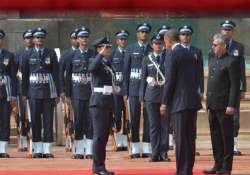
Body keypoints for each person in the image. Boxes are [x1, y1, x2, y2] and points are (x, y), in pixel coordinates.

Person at [161, 29, 201, 175]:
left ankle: (181, 171)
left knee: (180, 138)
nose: (165, 45)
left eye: (165, 42)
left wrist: (164, 102)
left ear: (169, 40)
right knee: (190, 138)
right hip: (192, 102)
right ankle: (188, 169)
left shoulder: (172, 54)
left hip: (179, 103)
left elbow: (170, 81)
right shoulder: (191, 54)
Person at [203, 33, 240, 175]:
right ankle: (217, 165)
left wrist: (232, 105)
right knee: (215, 136)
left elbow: (234, 86)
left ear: (224, 46)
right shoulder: (212, 59)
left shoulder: (232, 61)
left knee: (226, 137)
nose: (213, 47)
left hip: (225, 106)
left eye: (215, 45)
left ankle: (226, 167)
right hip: (212, 105)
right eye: (213, 44)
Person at [21, 27, 60, 158]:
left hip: (48, 92)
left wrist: (58, 93)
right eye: (37, 37)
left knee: (48, 121)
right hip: (33, 92)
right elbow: (25, 75)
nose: (39, 39)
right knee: (36, 121)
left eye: (42, 37)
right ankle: (37, 149)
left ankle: (48, 149)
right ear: (33, 39)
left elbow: (56, 74)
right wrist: (24, 93)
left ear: (44, 39)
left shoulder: (51, 53)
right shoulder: (27, 54)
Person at [139, 34, 170, 162]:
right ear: (152, 45)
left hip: (164, 96)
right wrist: (141, 96)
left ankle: (164, 153)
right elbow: (143, 79)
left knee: (164, 126)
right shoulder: (147, 59)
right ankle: (155, 152)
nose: (158, 45)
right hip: (151, 96)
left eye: (160, 43)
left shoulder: (168, 57)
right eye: (156, 43)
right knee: (153, 125)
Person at [123, 23, 152, 158]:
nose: (144, 34)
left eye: (146, 32)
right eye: (141, 32)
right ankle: (135, 147)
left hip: (149, 89)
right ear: (137, 34)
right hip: (133, 89)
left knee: (148, 118)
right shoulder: (130, 48)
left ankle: (146, 147)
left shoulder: (152, 48)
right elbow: (126, 70)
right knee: (134, 118)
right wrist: (125, 92)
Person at [65, 27, 95, 159]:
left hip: (90, 92)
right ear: (77, 39)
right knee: (78, 121)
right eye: (81, 37)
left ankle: (89, 150)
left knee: (90, 121)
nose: (84, 39)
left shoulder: (93, 54)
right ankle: (79, 150)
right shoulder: (71, 55)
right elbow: (67, 77)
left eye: (86, 37)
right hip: (76, 92)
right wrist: (67, 94)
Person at [89, 37, 115, 175]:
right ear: (99, 49)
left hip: (108, 101)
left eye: (109, 47)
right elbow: (91, 68)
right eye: (107, 47)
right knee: (99, 136)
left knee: (104, 136)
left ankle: (100, 166)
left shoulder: (107, 63)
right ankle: (98, 167)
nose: (109, 50)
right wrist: (99, 54)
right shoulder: (95, 61)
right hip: (98, 103)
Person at [220, 20, 246, 156]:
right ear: (221, 30)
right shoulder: (216, 45)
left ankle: (234, 145)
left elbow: (241, 69)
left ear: (232, 31)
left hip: (234, 87)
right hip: (220, 87)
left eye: (229, 30)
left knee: (235, 117)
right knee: (220, 115)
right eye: (224, 29)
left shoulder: (238, 47)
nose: (226, 32)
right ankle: (222, 145)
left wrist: (243, 89)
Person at [178, 25, 204, 156]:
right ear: (179, 36)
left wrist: (201, 91)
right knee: (180, 124)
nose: (185, 37)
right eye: (183, 34)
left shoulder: (197, 51)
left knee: (192, 124)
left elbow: (199, 72)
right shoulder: (175, 50)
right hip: (179, 94)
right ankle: (181, 148)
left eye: (187, 34)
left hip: (193, 92)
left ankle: (191, 147)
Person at [14, 29, 34, 152]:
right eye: (27, 38)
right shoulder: (18, 54)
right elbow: (14, 73)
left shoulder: (37, 52)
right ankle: (22, 138)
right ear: (24, 40)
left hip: (35, 86)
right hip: (21, 87)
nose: (30, 40)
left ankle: (33, 139)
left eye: (31, 37)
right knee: (21, 114)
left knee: (34, 114)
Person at [0, 29, 17, 158]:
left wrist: (14, 95)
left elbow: (13, 76)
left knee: (5, 121)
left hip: (6, 93)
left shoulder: (9, 55)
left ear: (3, 40)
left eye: (0, 38)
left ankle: (2, 149)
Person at [111, 30, 129, 151]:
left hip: (127, 89)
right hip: (116, 89)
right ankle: (117, 141)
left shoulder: (130, 52)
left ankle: (126, 140)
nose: (123, 41)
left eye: (124, 39)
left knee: (127, 116)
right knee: (117, 115)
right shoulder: (112, 54)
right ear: (117, 41)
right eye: (120, 39)